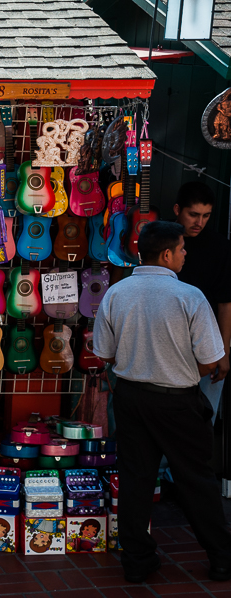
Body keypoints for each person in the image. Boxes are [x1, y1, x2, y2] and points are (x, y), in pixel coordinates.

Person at [93, 221, 231, 583]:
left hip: (131, 398)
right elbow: (211, 360)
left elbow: (104, 353)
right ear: (167, 254)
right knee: (197, 480)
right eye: (183, 249)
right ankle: (221, 559)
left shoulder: (116, 294)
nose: (186, 255)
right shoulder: (190, 296)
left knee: (136, 480)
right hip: (176, 401)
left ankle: (137, 562)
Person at [173, 181, 231, 420]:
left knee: (201, 420)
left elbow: (225, 303)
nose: (199, 222)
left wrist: (224, 352)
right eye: (193, 214)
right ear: (178, 210)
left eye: (206, 215)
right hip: (164, 337)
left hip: (206, 342)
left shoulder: (219, 247)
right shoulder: (158, 240)